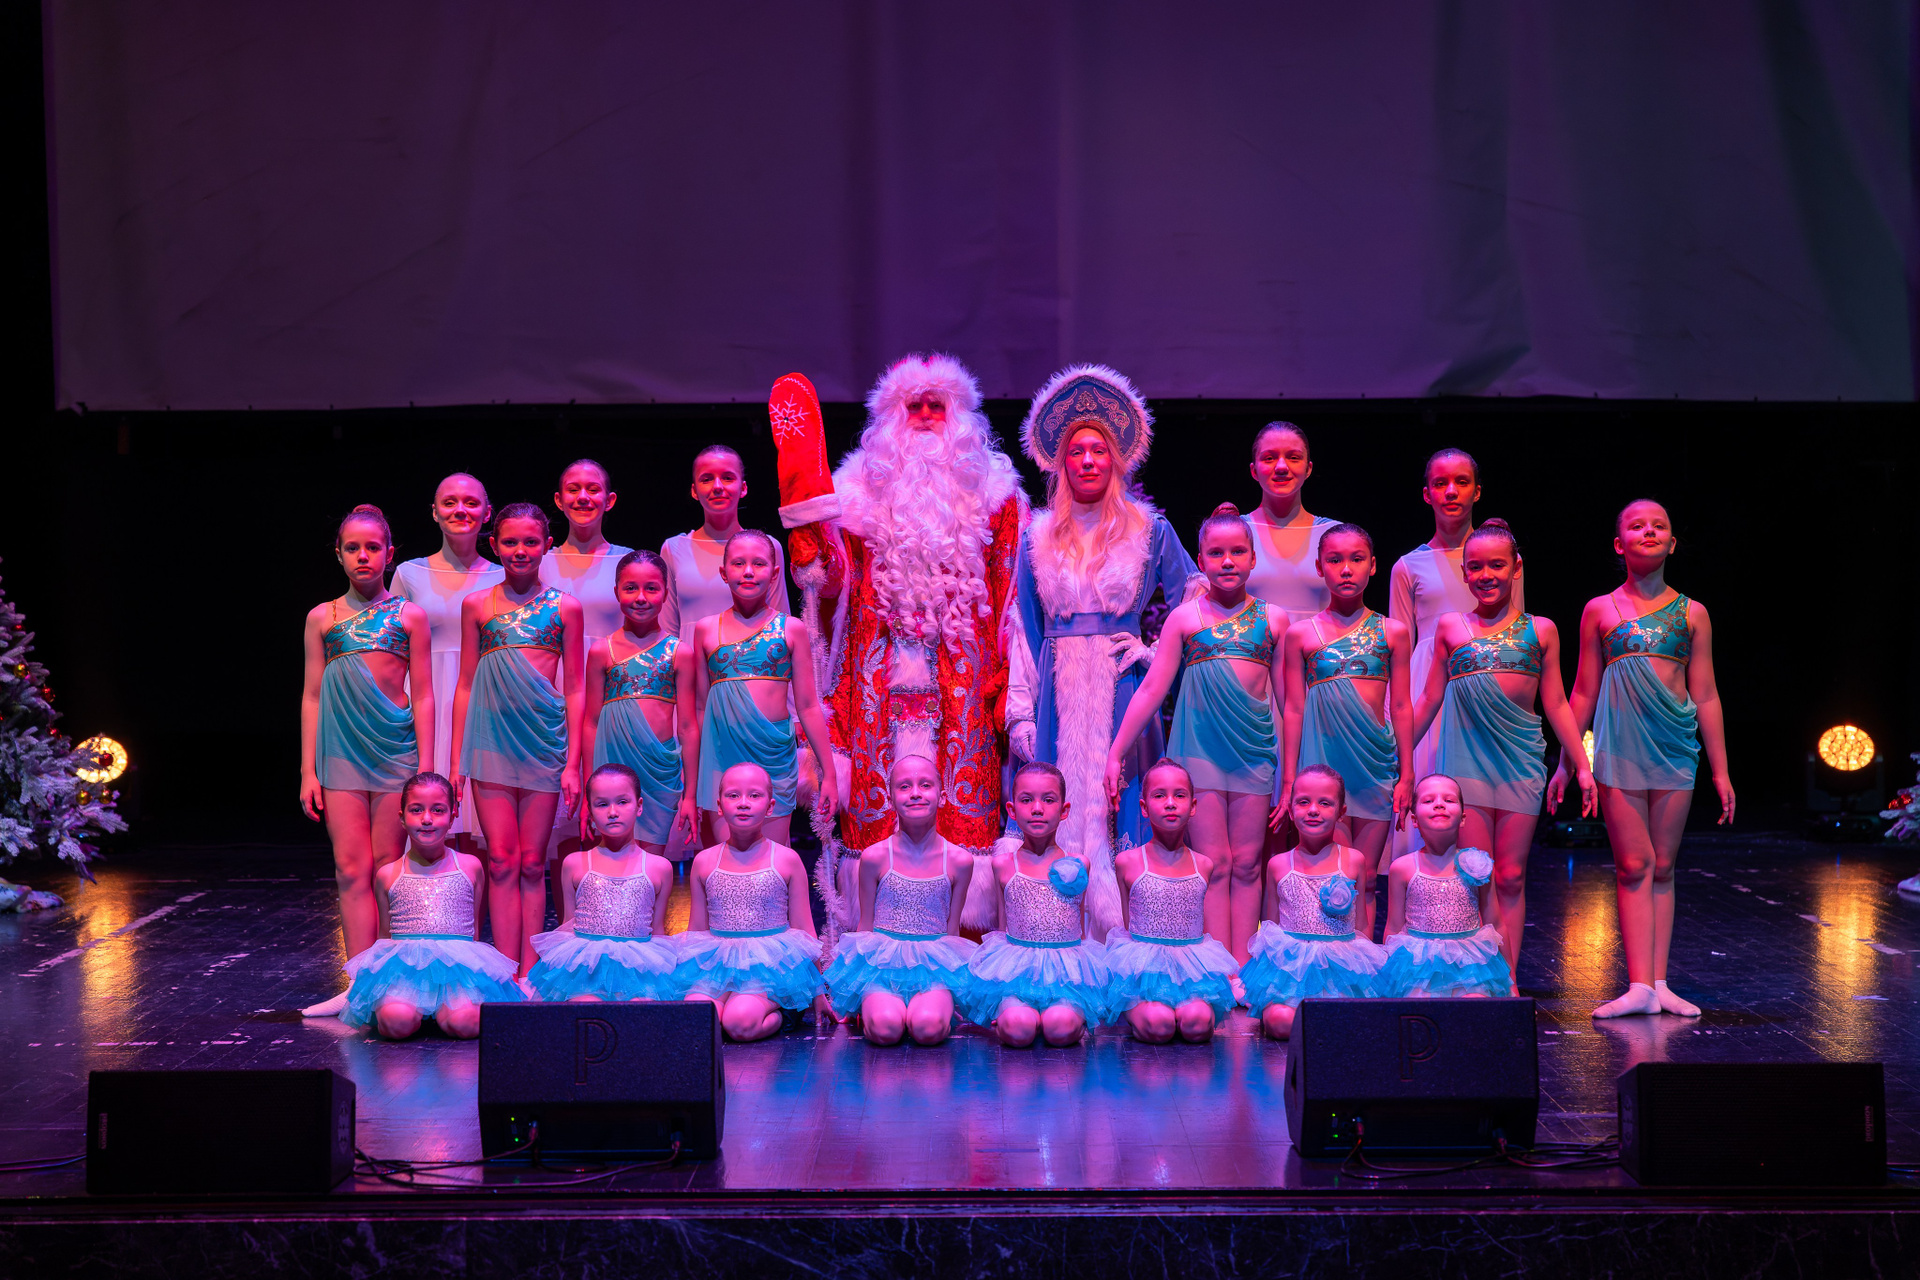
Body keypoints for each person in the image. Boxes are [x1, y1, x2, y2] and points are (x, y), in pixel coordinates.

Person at [773, 358, 1024, 914]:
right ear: (891, 415)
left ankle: (964, 927)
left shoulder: (997, 494)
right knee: (877, 799)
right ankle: (874, 922)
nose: (927, 415)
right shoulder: (855, 492)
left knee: (965, 798)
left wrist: (1011, 679)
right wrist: (813, 550)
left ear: (960, 416)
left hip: (963, 678)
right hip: (876, 673)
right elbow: (837, 583)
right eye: (915, 406)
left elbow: (1010, 593)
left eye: (938, 405)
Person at [1006, 365, 1198, 938]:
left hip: (1120, 683)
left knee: (1124, 795)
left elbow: (1195, 598)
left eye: (1099, 451)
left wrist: (1153, 651)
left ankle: (1127, 926)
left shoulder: (1148, 528)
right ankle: (1056, 923)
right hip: (1058, 688)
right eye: (1077, 452)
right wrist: (1023, 707)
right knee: (1055, 794)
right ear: (1061, 463)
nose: (1088, 461)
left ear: (1116, 460)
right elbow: (1025, 628)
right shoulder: (1037, 535)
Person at [1550, 500, 1733, 1019]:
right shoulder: (1599, 610)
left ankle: (1659, 984)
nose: (1648, 532)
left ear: (1672, 543)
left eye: (1659, 526)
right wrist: (1566, 762)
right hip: (1621, 747)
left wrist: (1720, 770)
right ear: (1619, 543)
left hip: (1674, 747)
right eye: (1637, 526)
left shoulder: (1693, 613)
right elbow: (1583, 692)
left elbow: (1706, 694)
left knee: (1664, 864)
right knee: (1634, 865)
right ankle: (1637, 986)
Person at [1410, 519, 1596, 973]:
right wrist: (1397, 757)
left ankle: (1505, 977)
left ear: (1516, 568)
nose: (1486, 575)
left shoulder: (1542, 630)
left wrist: (1580, 765)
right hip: (1465, 763)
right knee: (1476, 874)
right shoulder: (1451, 627)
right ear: (1464, 573)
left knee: (1510, 875)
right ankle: (1476, 975)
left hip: (1520, 764)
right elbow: (1430, 698)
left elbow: (1556, 703)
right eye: (1475, 567)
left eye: (1497, 565)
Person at [1106, 503, 1283, 961]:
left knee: (1248, 864)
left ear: (1253, 558)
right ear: (1201, 561)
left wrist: (1295, 767)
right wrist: (1116, 752)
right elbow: (1151, 690)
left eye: (1238, 552)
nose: (1227, 561)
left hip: (1254, 752)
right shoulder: (1185, 618)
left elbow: (1291, 702)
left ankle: (1243, 963)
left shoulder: (1274, 619)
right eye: (1216, 553)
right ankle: (1217, 964)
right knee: (1214, 864)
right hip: (1200, 751)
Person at [450, 502, 586, 973]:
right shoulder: (477, 605)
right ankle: (507, 968)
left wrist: (573, 763)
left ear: (547, 545)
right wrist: (457, 761)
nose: (520, 550)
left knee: (532, 862)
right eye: (510, 542)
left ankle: (530, 971)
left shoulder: (565, 607)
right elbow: (465, 684)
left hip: (543, 745)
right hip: (490, 742)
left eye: (530, 541)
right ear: (494, 545)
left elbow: (575, 687)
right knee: (501, 860)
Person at [300, 505, 435, 968]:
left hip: (396, 754)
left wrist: (426, 767)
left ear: (389, 555)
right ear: (338, 554)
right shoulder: (322, 617)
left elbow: (424, 695)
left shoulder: (410, 616)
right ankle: (360, 981)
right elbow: (312, 696)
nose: (363, 556)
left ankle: (389, 975)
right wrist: (308, 771)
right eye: (353, 548)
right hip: (341, 754)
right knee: (350, 869)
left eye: (373, 548)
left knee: (387, 867)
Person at [1389, 449, 1525, 854]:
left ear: (1477, 491)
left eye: (1461, 482)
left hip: (1485, 681)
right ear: (1427, 494)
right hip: (1428, 686)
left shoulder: (1502, 559)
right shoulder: (1408, 566)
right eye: (1441, 483)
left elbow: (1519, 633)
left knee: (1480, 795)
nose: (1451, 491)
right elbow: (1399, 648)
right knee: (1430, 787)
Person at [1277, 523, 1413, 917]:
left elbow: (1401, 706)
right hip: (1321, 764)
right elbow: (1294, 708)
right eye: (1335, 560)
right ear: (1320, 567)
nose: (1347, 569)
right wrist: (1290, 779)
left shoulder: (1393, 632)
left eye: (1357, 559)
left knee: (1366, 877)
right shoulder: (1301, 635)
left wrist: (1407, 774)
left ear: (1373, 565)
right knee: (1327, 876)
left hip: (1374, 767)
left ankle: (1362, 955)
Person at [339, 772, 523, 1038]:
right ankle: (410, 1009)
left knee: (466, 1023)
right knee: (395, 1023)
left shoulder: (469, 867)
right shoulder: (388, 874)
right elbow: (385, 936)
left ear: (452, 816)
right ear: (402, 817)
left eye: (438, 810)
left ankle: (446, 1009)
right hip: (406, 971)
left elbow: (472, 930)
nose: (427, 819)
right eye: (416, 810)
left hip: (455, 969)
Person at [687, 529, 839, 846]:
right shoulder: (706, 630)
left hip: (774, 758)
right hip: (721, 757)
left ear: (774, 573)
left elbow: (808, 706)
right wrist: (692, 784)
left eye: (758, 563)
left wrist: (829, 774)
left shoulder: (791, 629)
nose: (748, 571)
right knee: (728, 859)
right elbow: (700, 708)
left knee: (771, 857)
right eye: (738, 563)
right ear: (723, 572)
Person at [822, 754, 978, 1046]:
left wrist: (953, 990)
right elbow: (865, 925)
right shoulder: (875, 857)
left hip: (932, 965)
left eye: (925, 785)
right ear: (891, 797)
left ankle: (933, 1008)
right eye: (904, 786)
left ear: (942, 796)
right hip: (884, 963)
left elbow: (952, 930)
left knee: (928, 1027)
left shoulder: (959, 861)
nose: (915, 793)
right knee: (885, 1028)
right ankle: (880, 1007)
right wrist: (856, 990)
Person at [961, 761, 1117, 1047]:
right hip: (1018, 968)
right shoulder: (1003, 864)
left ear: (1064, 810)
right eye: (1026, 800)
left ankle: (1071, 1019)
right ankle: (1011, 1018)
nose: (1037, 809)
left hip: (1065, 968)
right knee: (1017, 1029)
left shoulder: (1078, 863)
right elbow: (1003, 928)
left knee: (1060, 1028)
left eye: (1048, 800)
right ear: (1011, 810)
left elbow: (1079, 928)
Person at [675, 762, 825, 1042]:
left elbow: (805, 930)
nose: (743, 803)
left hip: (767, 965)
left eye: (754, 795)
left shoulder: (786, 860)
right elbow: (697, 930)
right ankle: (727, 1005)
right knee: (697, 1018)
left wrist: (817, 991)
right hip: (719, 961)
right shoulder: (705, 861)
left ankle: (784, 1013)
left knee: (739, 1022)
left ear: (770, 806)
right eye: (733, 795)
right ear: (720, 806)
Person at [391, 473, 503, 843]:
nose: (460, 510)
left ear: (487, 513)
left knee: (484, 827)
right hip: (428, 699)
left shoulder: (503, 576)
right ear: (434, 512)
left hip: (484, 700)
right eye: (449, 502)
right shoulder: (410, 573)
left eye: (471, 502)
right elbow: (392, 649)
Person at [1239, 766, 1388, 1039]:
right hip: (1292, 971)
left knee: (1352, 1021)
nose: (1313, 810)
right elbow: (1271, 929)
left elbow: (1361, 929)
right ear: (1290, 808)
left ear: (1341, 812)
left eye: (1325, 803)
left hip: (1339, 967)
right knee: (1280, 1022)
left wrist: (1362, 972)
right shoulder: (1279, 864)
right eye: (1304, 802)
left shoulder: (1353, 860)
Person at [1106, 759, 1238, 1044]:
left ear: (1192, 806)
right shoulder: (1127, 862)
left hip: (1189, 966)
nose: (1170, 803)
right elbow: (1129, 924)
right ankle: (1143, 1012)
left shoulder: (1204, 865)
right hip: (1146, 969)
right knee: (1159, 1025)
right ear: (1144, 807)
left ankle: (1183, 1010)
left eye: (1179, 795)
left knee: (1197, 1024)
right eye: (1159, 796)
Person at [525, 764, 683, 1002]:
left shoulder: (658, 868)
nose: (612, 812)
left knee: (642, 1008)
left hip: (637, 967)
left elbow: (657, 930)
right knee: (586, 1006)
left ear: (639, 806)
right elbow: (568, 925)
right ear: (590, 810)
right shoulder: (575, 864)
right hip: (587, 968)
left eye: (622, 802)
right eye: (602, 804)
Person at [580, 551, 696, 853]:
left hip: (659, 772)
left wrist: (691, 795)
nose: (641, 597)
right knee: (614, 858)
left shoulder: (679, 653)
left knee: (651, 861)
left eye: (651, 588)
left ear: (666, 594)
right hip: (611, 767)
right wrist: (588, 788)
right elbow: (591, 723)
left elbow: (687, 726)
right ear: (616, 590)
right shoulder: (601, 652)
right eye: (631, 588)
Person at [1381, 773, 1512, 998]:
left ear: (1462, 818)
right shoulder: (1402, 868)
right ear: (1414, 820)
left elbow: (1496, 925)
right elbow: (1393, 928)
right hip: (1419, 966)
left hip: (1469, 964)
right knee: (1419, 1002)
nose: (1439, 804)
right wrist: (1390, 980)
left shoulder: (1478, 865)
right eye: (1428, 800)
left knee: (1476, 1004)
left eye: (1449, 800)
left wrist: (1512, 983)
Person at [661, 444, 792, 644]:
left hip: (753, 662)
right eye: (706, 479)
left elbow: (780, 626)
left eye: (728, 478)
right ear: (694, 491)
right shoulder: (673, 549)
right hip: (692, 662)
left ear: (743, 487)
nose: (717, 486)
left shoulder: (768, 547)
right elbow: (666, 633)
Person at [1244, 423, 1342, 623]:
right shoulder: (1233, 533)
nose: (1281, 467)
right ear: (1254, 470)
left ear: (1308, 468)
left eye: (1293, 457)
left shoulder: (1336, 535)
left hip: (1321, 644)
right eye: (1269, 458)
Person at [540, 458, 635, 644]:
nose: (583, 497)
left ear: (609, 500)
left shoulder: (627, 562)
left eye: (593, 490)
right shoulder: (541, 563)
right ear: (559, 500)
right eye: (573, 490)